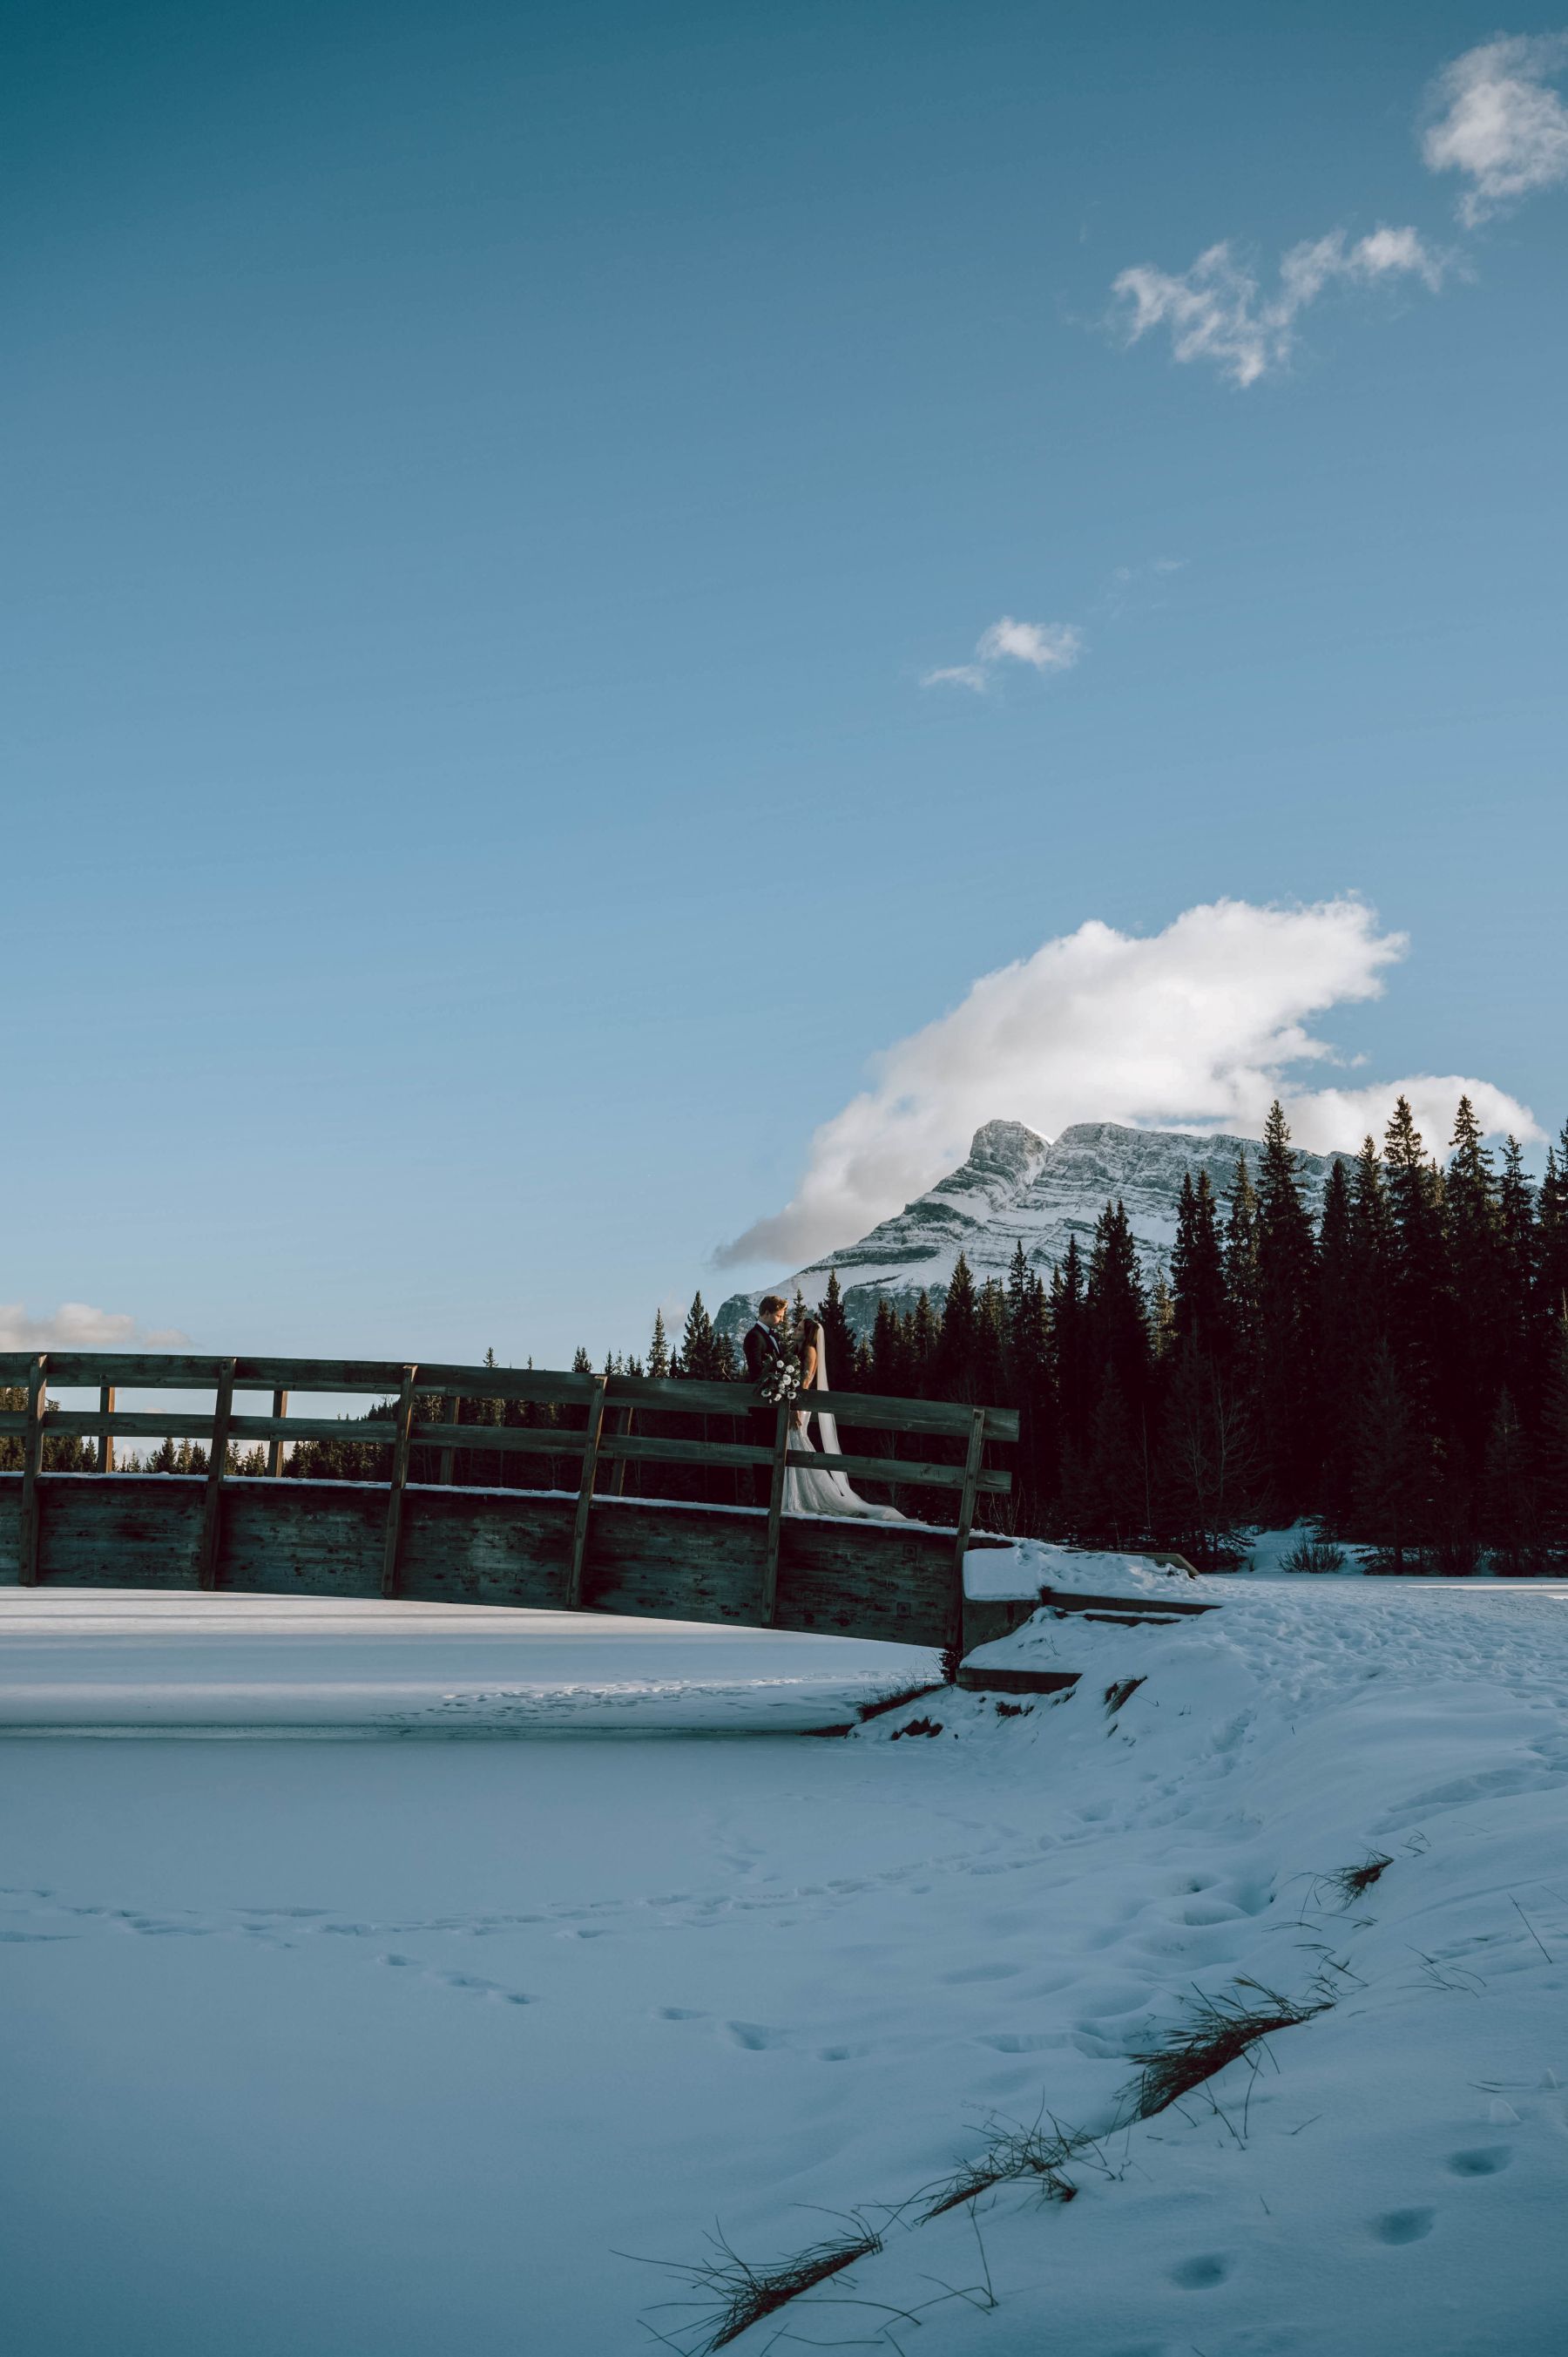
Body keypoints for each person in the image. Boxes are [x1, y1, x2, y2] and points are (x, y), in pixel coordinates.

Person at [781, 1315, 905, 1521]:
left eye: (800, 1328)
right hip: (795, 1403)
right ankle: (793, 1494)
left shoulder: (810, 1352)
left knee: (797, 1441)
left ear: (809, 1334)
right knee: (793, 1444)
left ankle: (801, 1496)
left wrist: (795, 1408)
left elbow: (805, 1383)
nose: (795, 1330)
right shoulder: (797, 1351)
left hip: (799, 1405)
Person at [741, 1295, 793, 1507]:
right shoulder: (755, 1337)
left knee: (775, 1452)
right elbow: (756, 1371)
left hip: (774, 1405)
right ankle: (764, 1501)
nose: (780, 1320)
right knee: (764, 1453)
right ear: (766, 1313)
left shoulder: (771, 1336)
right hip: (764, 1408)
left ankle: (773, 1500)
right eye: (778, 1316)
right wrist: (775, 1382)